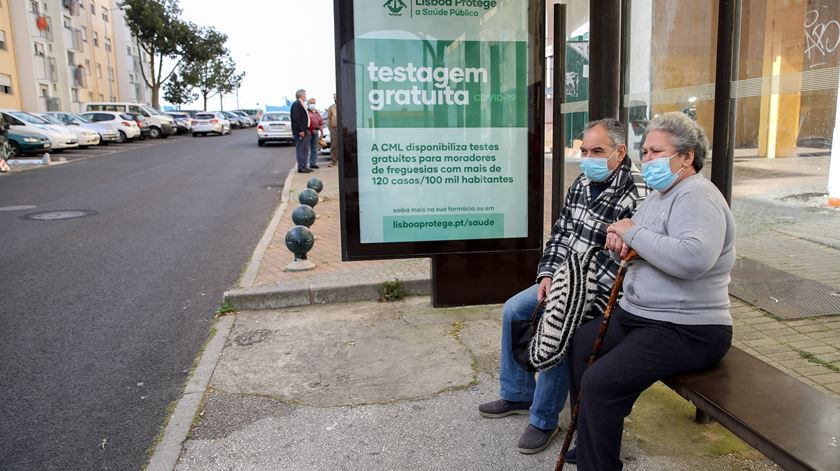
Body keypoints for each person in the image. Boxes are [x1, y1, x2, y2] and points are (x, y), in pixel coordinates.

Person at [569, 111, 735, 470]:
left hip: (686, 327)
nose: (647, 160)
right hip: (642, 315)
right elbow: (642, 244)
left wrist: (632, 233)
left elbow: (692, 259)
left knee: (600, 380)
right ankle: (593, 439)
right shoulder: (660, 196)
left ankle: (597, 460)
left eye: (656, 152)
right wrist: (624, 241)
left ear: (687, 157)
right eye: (644, 152)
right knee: (582, 346)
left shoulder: (697, 196)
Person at [478, 118, 648, 454]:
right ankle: (517, 393)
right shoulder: (582, 181)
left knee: (560, 322)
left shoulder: (637, 192)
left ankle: (543, 419)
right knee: (515, 308)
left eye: (597, 151)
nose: (588, 157)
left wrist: (568, 289)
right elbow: (560, 234)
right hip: (566, 276)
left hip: (601, 290)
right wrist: (548, 275)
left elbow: (623, 259)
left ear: (620, 151)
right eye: (584, 150)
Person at [290, 89, 312, 173]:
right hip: (301, 131)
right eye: (305, 94)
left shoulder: (303, 104)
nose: (306, 96)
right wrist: (301, 130)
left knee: (305, 149)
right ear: (301, 95)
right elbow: (296, 119)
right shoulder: (296, 104)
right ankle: (301, 167)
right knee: (301, 149)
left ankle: (305, 166)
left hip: (306, 130)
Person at [307, 98, 324, 169]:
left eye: (314, 103)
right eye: (311, 102)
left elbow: (320, 123)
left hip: (316, 131)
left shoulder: (317, 113)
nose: (312, 104)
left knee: (314, 148)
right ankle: (305, 164)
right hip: (308, 131)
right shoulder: (306, 112)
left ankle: (313, 163)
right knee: (306, 148)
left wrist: (322, 133)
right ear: (308, 104)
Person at [327, 94, 338, 167]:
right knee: (334, 145)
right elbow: (329, 118)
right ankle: (334, 161)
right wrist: (330, 129)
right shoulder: (331, 107)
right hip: (334, 129)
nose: (335, 99)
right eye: (334, 98)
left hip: (343, 129)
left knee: (345, 145)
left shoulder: (344, 105)